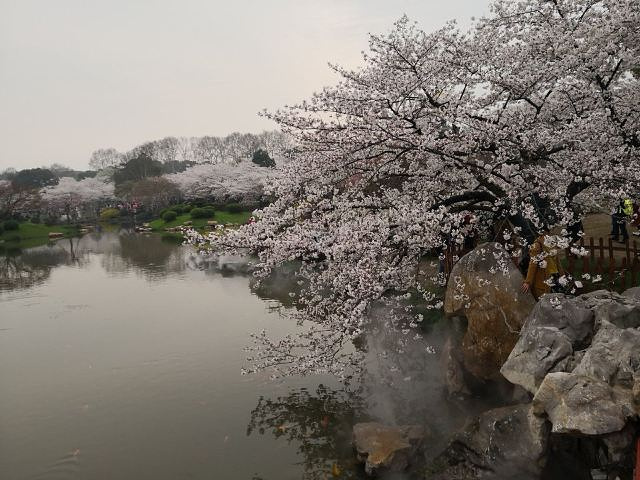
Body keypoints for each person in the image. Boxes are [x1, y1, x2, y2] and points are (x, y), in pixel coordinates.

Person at [521, 231, 564, 300]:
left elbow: (556, 261)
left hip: (551, 277)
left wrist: (528, 282)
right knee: (553, 302)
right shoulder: (540, 245)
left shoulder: (545, 243)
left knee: (554, 302)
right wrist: (528, 282)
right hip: (549, 277)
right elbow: (533, 264)